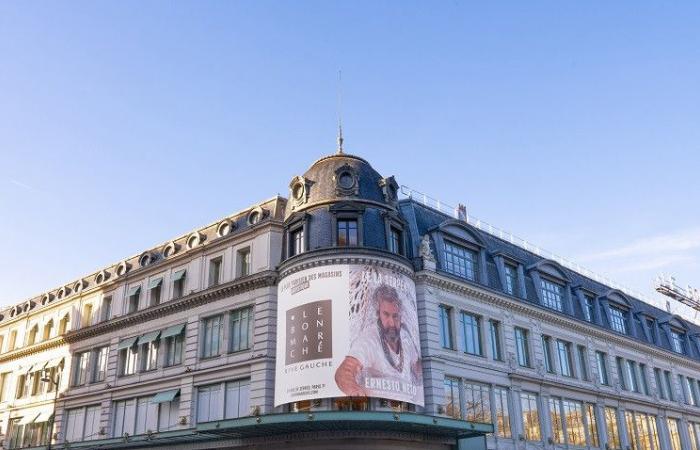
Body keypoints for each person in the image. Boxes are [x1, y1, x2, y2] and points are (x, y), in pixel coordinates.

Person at [335, 284, 422, 401]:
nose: (391, 322)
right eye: (386, 315)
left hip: (407, 411)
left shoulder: (405, 337)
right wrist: (356, 392)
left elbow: (418, 368)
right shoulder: (368, 339)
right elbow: (345, 371)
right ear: (378, 314)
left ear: (401, 316)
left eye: (395, 316)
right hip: (378, 412)